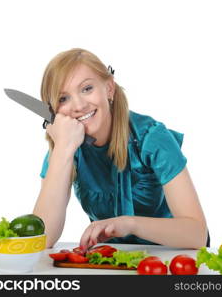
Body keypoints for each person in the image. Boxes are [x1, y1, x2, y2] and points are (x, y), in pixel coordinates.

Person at [33, 48, 209, 251]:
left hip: (171, 258)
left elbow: (197, 235)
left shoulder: (151, 138)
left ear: (109, 88)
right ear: (54, 111)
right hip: (114, 262)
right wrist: (63, 149)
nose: (79, 105)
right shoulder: (66, 147)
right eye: (63, 98)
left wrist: (130, 224)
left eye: (87, 88)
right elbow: (42, 239)